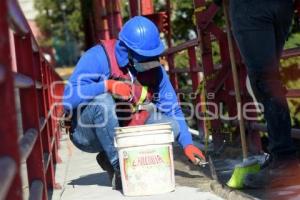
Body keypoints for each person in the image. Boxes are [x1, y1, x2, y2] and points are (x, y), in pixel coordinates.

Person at [63, 16, 206, 190]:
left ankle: (111, 157)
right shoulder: (98, 57)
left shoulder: (153, 68)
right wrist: (107, 85)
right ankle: (119, 167)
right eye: (145, 57)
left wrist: (187, 143)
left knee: (172, 126)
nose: (150, 61)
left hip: (123, 126)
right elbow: (67, 98)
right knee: (103, 101)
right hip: (87, 133)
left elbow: (172, 108)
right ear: (126, 51)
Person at [224, 0, 299, 188]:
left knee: (264, 80)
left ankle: (283, 160)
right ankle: (281, 157)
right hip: (283, 5)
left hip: (250, 6)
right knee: (270, 78)